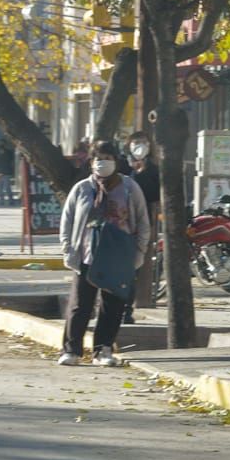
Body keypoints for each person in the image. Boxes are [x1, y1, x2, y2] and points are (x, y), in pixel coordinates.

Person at [57, 141, 151, 367]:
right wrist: (69, 249)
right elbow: (67, 221)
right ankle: (72, 350)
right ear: (91, 162)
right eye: (98, 158)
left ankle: (103, 349)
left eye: (107, 158)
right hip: (87, 255)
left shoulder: (129, 188)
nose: (103, 163)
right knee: (81, 304)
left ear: (116, 161)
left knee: (113, 305)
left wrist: (139, 252)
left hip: (118, 257)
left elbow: (142, 222)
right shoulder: (82, 189)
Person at [120, 131, 160, 324]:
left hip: (139, 227)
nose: (140, 146)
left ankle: (126, 310)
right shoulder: (120, 165)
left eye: (144, 143)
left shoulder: (152, 169)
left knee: (132, 270)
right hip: (117, 224)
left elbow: (154, 196)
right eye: (136, 143)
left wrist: (142, 172)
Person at [0, 139, 17, 206]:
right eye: (0, 143)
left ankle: (10, 201)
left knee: (7, 188)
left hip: (6, 173)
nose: (1, 144)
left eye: (2, 143)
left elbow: (11, 161)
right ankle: (2, 201)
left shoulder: (9, 152)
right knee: (0, 188)